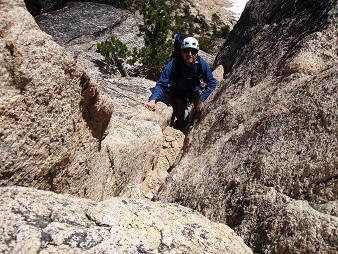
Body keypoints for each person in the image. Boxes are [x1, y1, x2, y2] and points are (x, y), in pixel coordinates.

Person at [145, 36, 217, 132]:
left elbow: (212, 82)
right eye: (187, 51)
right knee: (184, 122)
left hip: (193, 94)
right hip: (178, 94)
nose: (190, 54)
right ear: (182, 51)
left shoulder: (200, 64)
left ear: (197, 53)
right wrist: (153, 100)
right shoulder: (174, 63)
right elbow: (161, 83)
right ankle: (175, 127)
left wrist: (201, 99)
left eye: (193, 51)